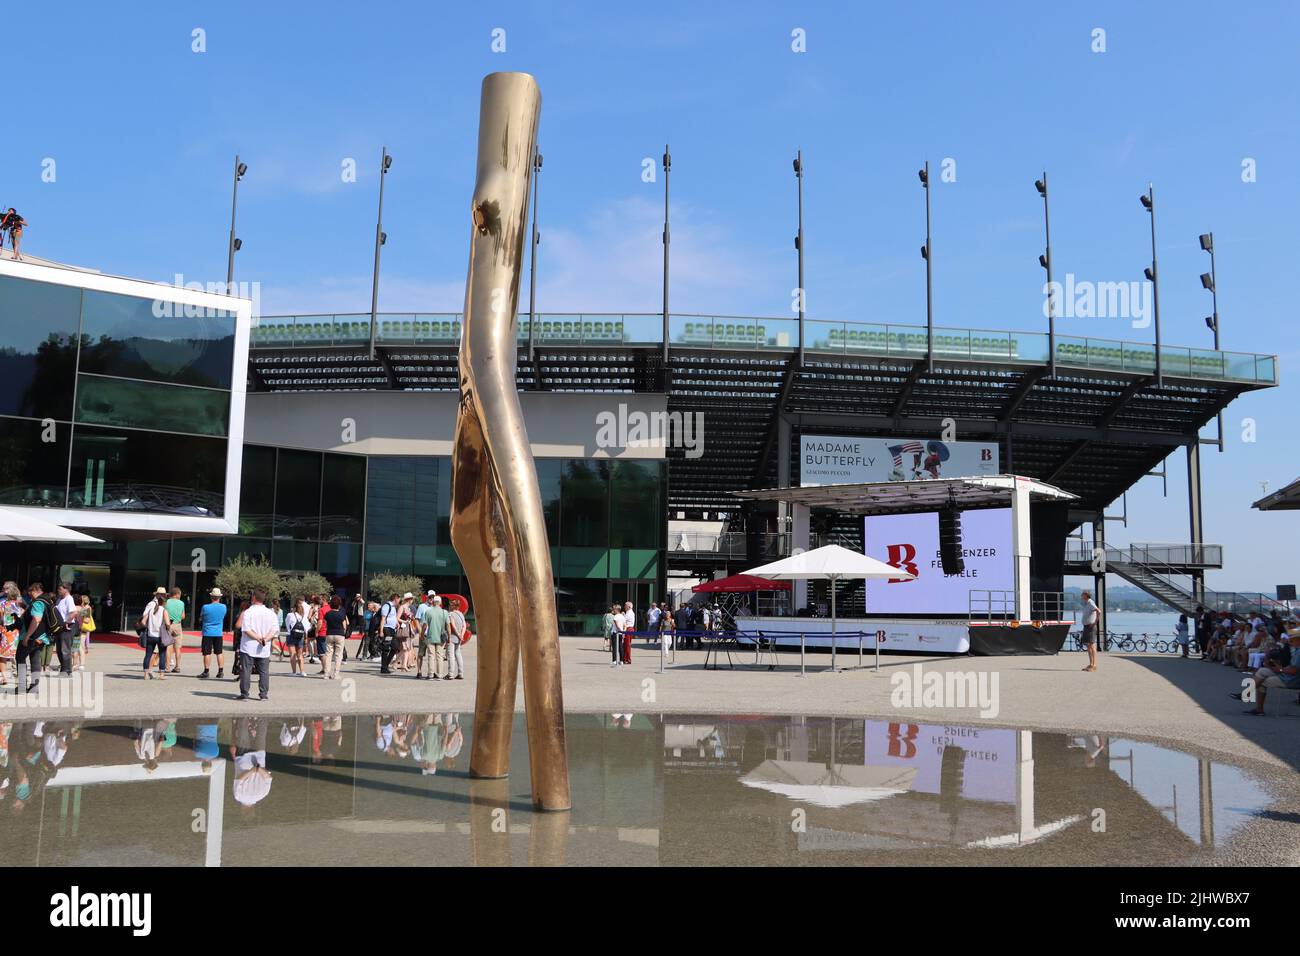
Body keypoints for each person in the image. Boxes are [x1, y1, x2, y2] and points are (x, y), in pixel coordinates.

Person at [1236, 632, 1300, 716]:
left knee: (1262, 682)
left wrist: (1280, 669)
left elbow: (1293, 671)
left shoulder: (1299, 652)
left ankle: (1258, 709)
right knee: (1262, 671)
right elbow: (1290, 666)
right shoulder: (1296, 650)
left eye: (1292, 640)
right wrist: (1275, 667)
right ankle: (1247, 694)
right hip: (1287, 675)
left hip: (1290, 680)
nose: (1290, 641)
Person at [237, 587, 278, 701]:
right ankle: (263, 694)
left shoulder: (248, 612)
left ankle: (244, 693)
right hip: (264, 647)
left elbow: (246, 629)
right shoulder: (271, 613)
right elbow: (274, 629)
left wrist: (257, 638)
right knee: (264, 672)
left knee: (246, 670)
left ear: (254, 598)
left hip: (248, 646)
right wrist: (265, 638)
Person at [138, 587, 172, 681]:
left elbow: (143, 621)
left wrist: (149, 626)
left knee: (148, 654)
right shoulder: (163, 610)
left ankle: (145, 674)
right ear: (164, 600)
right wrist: (168, 629)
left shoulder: (151, 607)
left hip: (150, 634)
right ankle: (161, 674)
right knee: (162, 654)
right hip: (160, 636)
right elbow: (168, 624)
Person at [417, 595, 449, 681]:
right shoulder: (444, 612)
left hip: (430, 636)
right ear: (440, 602)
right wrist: (449, 637)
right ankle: (439, 675)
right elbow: (448, 626)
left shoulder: (428, 612)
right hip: (441, 637)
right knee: (440, 656)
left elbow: (424, 625)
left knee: (431, 656)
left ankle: (430, 674)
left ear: (433, 602)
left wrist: (422, 634)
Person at [198, 588, 227, 679]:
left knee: (207, 652)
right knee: (219, 652)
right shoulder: (223, 607)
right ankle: (220, 671)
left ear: (211, 597)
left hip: (208, 632)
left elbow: (201, 618)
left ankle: (206, 671)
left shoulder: (205, 607)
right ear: (219, 597)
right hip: (218, 632)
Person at [0, 581, 22, 687]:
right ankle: (9, 676)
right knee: (10, 654)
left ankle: (9, 675)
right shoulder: (18, 601)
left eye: (5, 588)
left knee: (6, 655)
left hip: (9, 631)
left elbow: (5, 618)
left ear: (10, 589)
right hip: (13, 631)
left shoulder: (5, 602)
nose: (3, 590)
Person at [322, 595, 348, 680]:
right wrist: (344, 632)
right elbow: (344, 625)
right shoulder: (341, 614)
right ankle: (336, 674)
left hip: (329, 634)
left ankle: (326, 674)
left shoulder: (328, 614)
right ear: (339, 604)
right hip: (339, 634)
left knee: (328, 654)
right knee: (338, 655)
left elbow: (325, 623)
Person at [54, 582, 78, 675]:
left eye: (60, 589)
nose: (58, 590)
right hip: (60, 627)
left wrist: (67, 621)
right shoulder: (60, 599)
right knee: (59, 650)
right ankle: (63, 669)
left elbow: (74, 612)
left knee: (65, 649)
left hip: (67, 627)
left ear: (66, 589)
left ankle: (67, 671)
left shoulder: (69, 599)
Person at [165, 587, 186, 674]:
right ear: (177, 594)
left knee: (168, 647)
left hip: (168, 625)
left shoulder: (166, 602)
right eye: (180, 594)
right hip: (178, 625)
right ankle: (177, 666)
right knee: (177, 648)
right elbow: (183, 616)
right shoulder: (181, 603)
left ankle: (167, 667)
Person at [446, 597, 467, 680]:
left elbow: (453, 626)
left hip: (452, 637)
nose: (449, 606)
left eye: (450, 604)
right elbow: (464, 626)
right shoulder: (461, 614)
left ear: (452, 606)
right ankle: (461, 673)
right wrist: (461, 635)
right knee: (458, 654)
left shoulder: (450, 614)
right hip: (459, 638)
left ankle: (450, 674)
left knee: (451, 655)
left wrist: (458, 635)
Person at [1079, 589, 1100, 673]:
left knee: (1092, 645)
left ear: (1086, 595)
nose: (1081, 596)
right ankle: (1091, 664)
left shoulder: (1091, 602)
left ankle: (1094, 665)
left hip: (1091, 627)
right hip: (1086, 626)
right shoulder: (1087, 603)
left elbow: (1099, 611)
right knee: (1088, 645)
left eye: (1082, 594)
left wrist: (1095, 622)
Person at [378, 593, 399, 674]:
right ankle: (383, 668)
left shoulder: (393, 607)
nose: (399, 601)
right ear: (395, 599)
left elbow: (393, 617)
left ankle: (385, 665)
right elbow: (383, 619)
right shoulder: (387, 606)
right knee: (386, 648)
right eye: (398, 600)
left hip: (392, 630)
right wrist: (381, 631)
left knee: (395, 647)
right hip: (387, 630)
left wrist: (396, 623)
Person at [74, 595, 94, 671]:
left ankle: (82, 664)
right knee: (76, 647)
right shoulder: (82, 607)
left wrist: (79, 614)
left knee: (80, 647)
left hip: (82, 629)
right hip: (78, 629)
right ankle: (75, 663)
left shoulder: (87, 608)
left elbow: (86, 620)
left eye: (80, 599)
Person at [621, 600, 634, 665]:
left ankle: (627, 659)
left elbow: (623, 620)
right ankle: (625, 658)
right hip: (629, 629)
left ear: (629, 606)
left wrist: (622, 615)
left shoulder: (629, 613)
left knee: (627, 645)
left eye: (625, 605)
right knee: (626, 645)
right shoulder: (629, 612)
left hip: (628, 629)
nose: (624, 607)